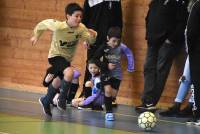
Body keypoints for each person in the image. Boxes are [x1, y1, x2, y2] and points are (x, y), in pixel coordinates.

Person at [30, 3, 97, 116]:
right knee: (70, 72)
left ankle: (46, 100)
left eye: (81, 16)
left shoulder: (81, 28)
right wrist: (36, 35)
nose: (79, 19)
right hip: (55, 56)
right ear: (68, 16)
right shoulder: (59, 26)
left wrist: (93, 36)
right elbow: (42, 24)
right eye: (76, 16)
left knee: (58, 81)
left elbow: (89, 40)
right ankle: (62, 100)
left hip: (66, 59)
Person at [135, 0, 189, 113]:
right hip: (153, 40)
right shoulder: (156, 1)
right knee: (148, 68)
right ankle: (147, 101)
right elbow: (149, 17)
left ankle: (151, 102)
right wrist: (148, 35)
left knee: (161, 70)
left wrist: (171, 39)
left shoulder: (179, 2)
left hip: (168, 42)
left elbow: (182, 22)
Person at [81, 0, 123, 99]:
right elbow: (85, 18)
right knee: (91, 64)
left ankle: (107, 97)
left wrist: (117, 38)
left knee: (110, 66)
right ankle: (86, 93)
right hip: (94, 37)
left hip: (110, 40)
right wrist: (85, 37)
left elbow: (119, 19)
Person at [93, 26, 134, 121]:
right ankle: (109, 113)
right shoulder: (104, 47)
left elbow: (129, 53)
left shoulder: (121, 47)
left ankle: (101, 92)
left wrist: (130, 67)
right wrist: (106, 65)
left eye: (118, 41)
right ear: (108, 38)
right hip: (106, 72)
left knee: (113, 95)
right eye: (113, 41)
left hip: (117, 75)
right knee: (108, 91)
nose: (115, 44)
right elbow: (95, 59)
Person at [186, 0, 200, 125]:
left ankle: (199, 115)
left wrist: (190, 50)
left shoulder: (197, 5)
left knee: (197, 82)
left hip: (197, 51)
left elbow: (191, 31)